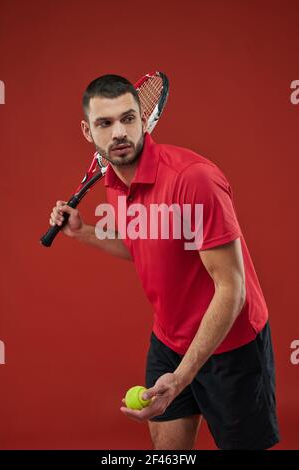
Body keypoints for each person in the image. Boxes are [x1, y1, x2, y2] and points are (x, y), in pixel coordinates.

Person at [49, 75, 280, 450]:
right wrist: (84, 231)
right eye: (105, 123)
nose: (119, 132)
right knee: (167, 452)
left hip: (230, 345)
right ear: (87, 130)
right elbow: (143, 243)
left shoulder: (194, 180)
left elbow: (232, 289)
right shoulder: (115, 180)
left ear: (145, 118)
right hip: (168, 339)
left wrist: (183, 376)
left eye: (128, 119)